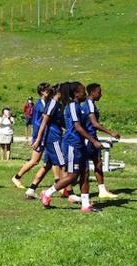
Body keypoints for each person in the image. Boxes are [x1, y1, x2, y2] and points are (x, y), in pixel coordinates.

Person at [39, 82, 99, 213]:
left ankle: (85, 204)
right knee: (72, 175)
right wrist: (93, 141)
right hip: (72, 144)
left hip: (80, 144)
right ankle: (47, 193)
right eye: (83, 91)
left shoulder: (79, 107)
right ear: (76, 94)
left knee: (85, 173)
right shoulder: (72, 106)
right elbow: (77, 127)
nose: (85, 94)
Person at [24, 83, 65, 200]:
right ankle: (67, 191)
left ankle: (31, 189)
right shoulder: (46, 104)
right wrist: (37, 138)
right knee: (62, 164)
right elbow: (43, 122)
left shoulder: (52, 104)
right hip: (51, 138)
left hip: (47, 137)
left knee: (47, 165)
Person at [12, 83, 52, 189]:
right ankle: (17, 177)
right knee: (34, 161)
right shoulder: (40, 104)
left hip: (46, 134)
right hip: (39, 135)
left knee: (53, 161)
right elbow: (43, 119)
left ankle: (59, 183)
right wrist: (35, 138)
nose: (50, 90)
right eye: (47, 89)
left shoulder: (47, 102)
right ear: (42, 91)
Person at [85, 83, 120, 199]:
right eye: (99, 92)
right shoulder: (89, 104)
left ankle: (102, 190)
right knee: (82, 166)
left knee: (98, 162)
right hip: (88, 138)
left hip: (93, 137)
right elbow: (94, 123)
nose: (101, 94)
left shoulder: (92, 104)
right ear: (93, 93)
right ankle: (64, 188)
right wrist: (111, 133)